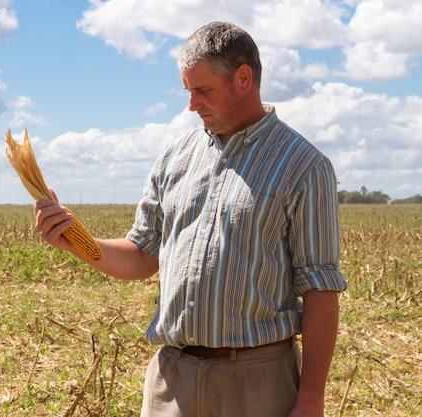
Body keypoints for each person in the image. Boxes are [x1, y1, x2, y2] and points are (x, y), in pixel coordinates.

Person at [34, 21, 347, 417]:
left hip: (258, 383)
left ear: (243, 78)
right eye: (188, 91)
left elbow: (320, 289)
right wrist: (75, 239)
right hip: (172, 380)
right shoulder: (175, 156)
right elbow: (142, 255)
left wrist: (310, 399)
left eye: (203, 91)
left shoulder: (304, 166)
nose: (191, 104)